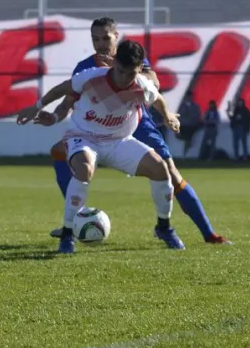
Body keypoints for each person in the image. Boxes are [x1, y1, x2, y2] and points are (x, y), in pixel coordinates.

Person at [37, 17, 229, 245]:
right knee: (59, 152)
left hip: (137, 125)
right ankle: (75, 221)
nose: (100, 43)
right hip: (97, 130)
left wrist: (125, 72)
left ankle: (208, 234)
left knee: (170, 173)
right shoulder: (86, 67)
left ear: (116, 37)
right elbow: (68, 99)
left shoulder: (131, 57)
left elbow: (153, 83)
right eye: (95, 39)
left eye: (105, 38)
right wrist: (56, 116)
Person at [16, 40, 186, 254]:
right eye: (121, 71)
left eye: (131, 74)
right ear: (114, 64)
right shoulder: (92, 77)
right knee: (84, 169)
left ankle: (164, 228)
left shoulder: (142, 84)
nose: (125, 79)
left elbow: (157, 98)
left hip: (119, 142)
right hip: (84, 137)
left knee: (160, 169)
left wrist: (168, 115)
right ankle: (68, 235)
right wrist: (37, 106)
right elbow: (63, 89)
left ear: (139, 69)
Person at [177, 92, 202, 157]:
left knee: (189, 140)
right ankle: (183, 154)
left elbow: (197, 115)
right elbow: (180, 114)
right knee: (183, 140)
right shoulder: (182, 106)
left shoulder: (195, 106)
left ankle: (186, 154)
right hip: (183, 126)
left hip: (191, 126)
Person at [227, 96, 250, 161]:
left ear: (243, 103)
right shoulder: (236, 110)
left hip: (242, 127)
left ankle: (245, 156)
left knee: (244, 143)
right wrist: (228, 114)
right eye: (238, 102)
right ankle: (236, 156)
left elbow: (248, 120)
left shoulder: (246, 110)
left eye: (241, 102)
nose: (239, 103)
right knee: (235, 143)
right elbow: (232, 118)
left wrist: (248, 129)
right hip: (235, 127)